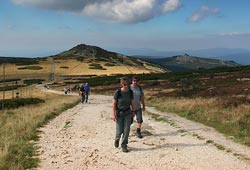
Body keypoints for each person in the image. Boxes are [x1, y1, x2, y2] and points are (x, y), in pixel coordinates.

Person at [112, 77, 135, 153]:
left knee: (126, 129)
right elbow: (114, 104)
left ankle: (124, 145)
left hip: (128, 112)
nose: (126, 86)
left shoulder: (130, 92)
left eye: (127, 84)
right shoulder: (118, 92)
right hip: (119, 113)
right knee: (119, 130)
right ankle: (117, 139)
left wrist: (133, 111)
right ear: (121, 84)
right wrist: (113, 114)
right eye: (124, 84)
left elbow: (132, 102)